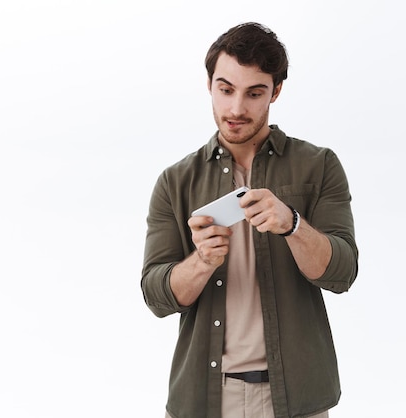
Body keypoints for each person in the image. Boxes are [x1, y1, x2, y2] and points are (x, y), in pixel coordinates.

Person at [141, 22, 358, 418]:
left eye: (254, 93)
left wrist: (293, 224)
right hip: (204, 399)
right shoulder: (175, 181)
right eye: (226, 90)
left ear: (275, 91)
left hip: (297, 400)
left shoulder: (319, 166)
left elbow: (342, 273)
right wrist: (202, 261)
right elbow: (156, 296)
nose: (237, 108)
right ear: (209, 84)